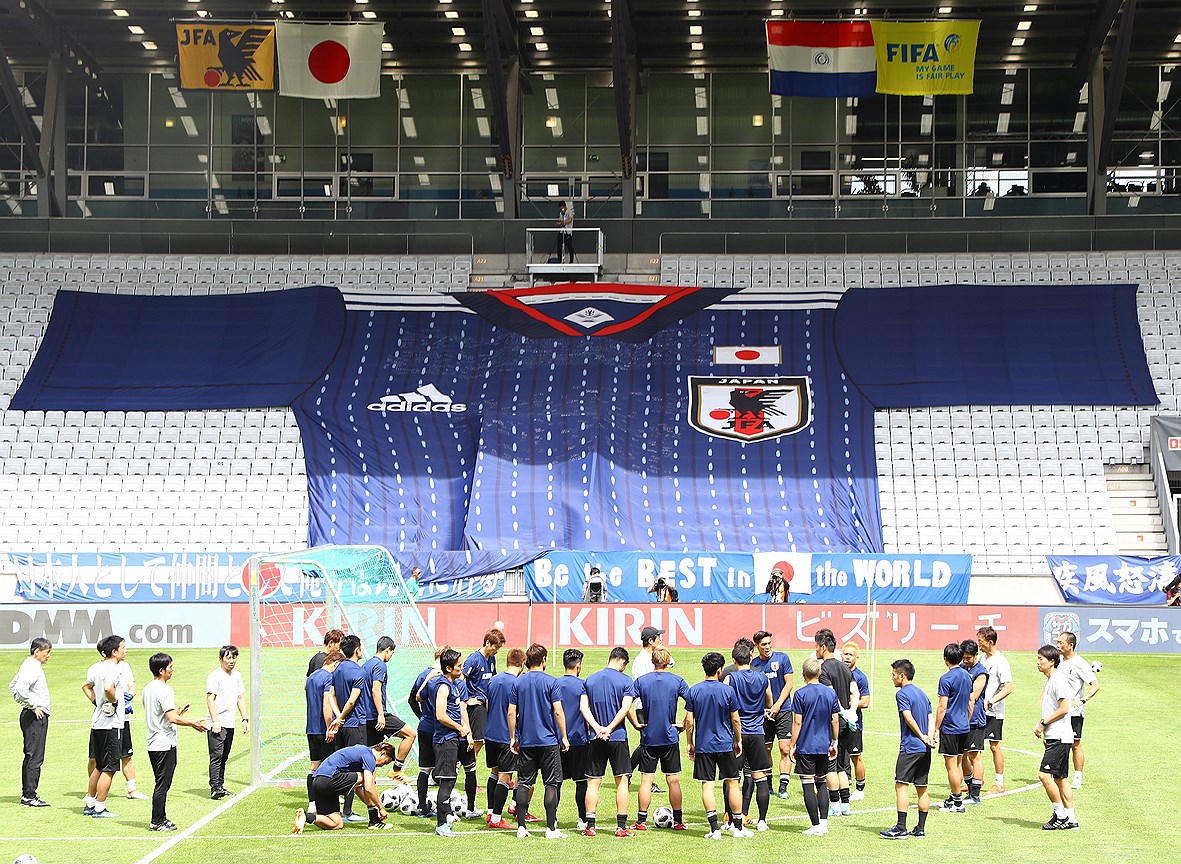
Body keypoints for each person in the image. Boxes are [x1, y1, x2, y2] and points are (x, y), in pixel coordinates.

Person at [508, 643, 569, 839]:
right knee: (551, 783)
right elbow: (558, 711)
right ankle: (551, 828)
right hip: (548, 741)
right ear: (543, 660)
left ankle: (521, 827)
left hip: (526, 741)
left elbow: (511, 712)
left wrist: (512, 737)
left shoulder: (518, 683)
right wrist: (564, 736)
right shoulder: (551, 682)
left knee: (524, 783)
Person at [142, 652, 207, 831]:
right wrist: (192, 723)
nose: (172, 670)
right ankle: (157, 821)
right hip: (164, 743)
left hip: (153, 742)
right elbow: (170, 718)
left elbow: (162, 715)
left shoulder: (148, 689)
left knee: (161, 782)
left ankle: (161, 818)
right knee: (163, 783)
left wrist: (179, 714)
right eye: (170, 667)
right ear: (161, 670)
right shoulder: (165, 690)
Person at [684, 651, 745, 840]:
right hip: (725, 744)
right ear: (719, 670)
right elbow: (735, 719)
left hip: (704, 746)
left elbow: (689, 721)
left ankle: (714, 829)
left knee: (707, 786)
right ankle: (738, 827)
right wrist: (738, 739)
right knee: (733, 784)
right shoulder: (728, 691)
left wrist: (689, 742)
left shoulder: (693, 691)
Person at [630, 647, 689, 833]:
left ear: (652, 661)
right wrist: (685, 724)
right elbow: (693, 702)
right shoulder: (677, 681)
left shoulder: (642, 681)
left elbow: (626, 703)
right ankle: (678, 821)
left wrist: (636, 724)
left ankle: (641, 820)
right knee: (673, 780)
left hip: (649, 738)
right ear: (667, 661)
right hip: (670, 737)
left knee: (646, 780)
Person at [582, 646, 636, 837]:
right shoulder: (626, 681)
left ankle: (590, 826)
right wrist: (610, 728)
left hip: (595, 738)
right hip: (617, 737)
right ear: (622, 661)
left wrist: (597, 728)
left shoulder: (590, 679)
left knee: (593, 782)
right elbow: (625, 708)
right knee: (622, 781)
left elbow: (583, 707)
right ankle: (621, 826)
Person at [879, 659, 935, 840]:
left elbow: (909, 718)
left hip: (911, 747)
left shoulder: (902, 694)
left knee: (901, 785)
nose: (892, 678)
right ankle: (920, 828)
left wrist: (920, 735)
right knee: (922, 787)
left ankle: (901, 828)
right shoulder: (922, 693)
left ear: (902, 676)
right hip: (925, 748)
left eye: (894, 675)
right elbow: (930, 716)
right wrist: (930, 736)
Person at [723, 639, 772, 830]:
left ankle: (729, 818)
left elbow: (725, 703)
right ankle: (762, 821)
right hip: (758, 732)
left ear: (734, 659)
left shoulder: (731, 678)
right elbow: (769, 701)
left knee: (732, 778)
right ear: (750, 657)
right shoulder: (763, 678)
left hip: (737, 734)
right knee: (760, 777)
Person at [789, 658, 839, 837]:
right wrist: (834, 742)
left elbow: (797, 723)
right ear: (819, 673)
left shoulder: (800, 694)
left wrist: (792, 744)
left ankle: (815, 825)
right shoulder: (830, 694)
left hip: (806, 746)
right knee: (822, 782)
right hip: (823, 745)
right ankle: (824, 823)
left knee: (808, 785)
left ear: (804, 674)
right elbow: (835, 720)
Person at [295, 742, 395, 832]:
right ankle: (374, 821)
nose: (382, 765)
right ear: (383, 753)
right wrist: (380, 808)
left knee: (336, 824)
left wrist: (373, 809)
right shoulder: (369, 757)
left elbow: (359, 789)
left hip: (317, 783)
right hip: (328, 779)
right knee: (367, 779)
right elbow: (368, 787)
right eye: (385, 762)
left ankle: (306, 816)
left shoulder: (361, 751)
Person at [82, 634, 127, 818]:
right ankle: (100, 807)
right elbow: (109, 688)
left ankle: (90, 802)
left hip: (98, 723)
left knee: (99, 765)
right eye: (123, 647)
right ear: (114, 651)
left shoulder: (97, 668)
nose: (126, 650)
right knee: (109, 767)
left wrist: (97, 702)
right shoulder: (113, 669)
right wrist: (115, 702)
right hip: (111, 724)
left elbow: (87, 686)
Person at [1034, 644, 1079, 830]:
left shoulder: (1058, 680)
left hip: (1059, 737)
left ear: (1052, 661)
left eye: (1041, 659)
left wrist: (1043, 723)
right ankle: (1072, 819)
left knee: (1044, 776)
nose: (1037, 663)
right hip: (1057, 735)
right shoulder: (1052, 679)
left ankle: (1060, 815)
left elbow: (1064, 708)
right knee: (1060, 779)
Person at [430, 647, 471, 837]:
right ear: (448, 668)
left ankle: (446, 817)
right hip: (445, 740)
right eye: (458, 666)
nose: (461, 668)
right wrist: (459, 727)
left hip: (452, 739)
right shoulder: (444, 687)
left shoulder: (453, 684)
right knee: (447, 782)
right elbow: (440, 715)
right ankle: (441, 825)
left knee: (451, 779)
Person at [483, 647, 525, 829]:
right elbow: (513, 712)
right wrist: (513, 736)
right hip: (504, 736)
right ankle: (496, 819)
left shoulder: (493, 680)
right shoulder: (517, 684)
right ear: (522, 663)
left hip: (490, 734)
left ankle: (491, 812)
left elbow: (486, 704)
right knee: (505, 777)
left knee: (494, 773)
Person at [815, 627, 856, 816]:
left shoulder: (823, 669)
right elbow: (855, 692)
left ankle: (834, 804)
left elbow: (831, 696)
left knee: (830, 764)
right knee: (842, 763)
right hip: (848, 723)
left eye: (816, 646)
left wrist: (842, 712)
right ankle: (846, 804)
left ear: (823, 647)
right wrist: (852, 712)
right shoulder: (844, 667)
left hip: (833, 722)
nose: (815, 650)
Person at [364, 636, 415, 782]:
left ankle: (369, 790)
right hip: (377, 715)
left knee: (371, 755)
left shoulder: (367, 664)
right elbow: (375, 690)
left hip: (366, 716)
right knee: (410, 734)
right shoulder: (380, 665)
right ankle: (396, 770)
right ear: (388, 650)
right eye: (392, 653)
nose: (391, 656)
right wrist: (380, 714)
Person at [750, 630, 794, 800]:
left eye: (769, 643)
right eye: (763, 645)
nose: (767, 647)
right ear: (757, 646)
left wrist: (776, 706)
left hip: (783, 710)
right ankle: (768, 784)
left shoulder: (783, 658)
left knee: (785, 748)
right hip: (764, 714)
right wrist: (764, 709)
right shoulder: (754, 665)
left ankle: (783, 787)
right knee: (766, 748)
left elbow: (789, 683)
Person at [552, 648, 591, 831]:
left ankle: (553, 819)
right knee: (581, 782)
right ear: (578, 665)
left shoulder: (554, 684)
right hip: (579, 740)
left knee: (556, 782)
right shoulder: (584, 686)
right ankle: (582, 819)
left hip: (557, 740)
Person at [331, 634, 369, 821]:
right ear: (357, 650)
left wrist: (338, 717)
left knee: (341, 766)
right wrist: (343, 716)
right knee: (355, 768)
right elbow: (352, 700)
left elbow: (331, 694)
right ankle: (347, 811)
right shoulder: (358, 672)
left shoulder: (338, 669)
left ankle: (336, 808)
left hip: (342, 725)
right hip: (355, 725)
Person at [10, 637, 52, 807]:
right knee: (35, 756)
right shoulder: (32, 667)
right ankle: (29, 796)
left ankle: (28, 793)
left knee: (30, 755)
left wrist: (25, 704)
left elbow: (13, 686)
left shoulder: (27, 664)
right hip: (36, 717)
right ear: (37, 651)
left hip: (29, 714)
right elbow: (19, 688)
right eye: (47, 652)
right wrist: (33, 705)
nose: (48, 656)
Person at [1055, 631, 1099, 789]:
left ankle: (1078, 777)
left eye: (1061, 643)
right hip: (1059, 709)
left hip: (1074, 712)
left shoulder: (1079, 663)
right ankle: (1059, 772)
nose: (1058, 645)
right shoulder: (1058, 661)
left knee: (1075, 744)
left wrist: (1082, 700)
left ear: (1070, 645)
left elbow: (1095, 685)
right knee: (1057, 741)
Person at [304, 649, 344, 818]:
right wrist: (330, 727)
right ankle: (328, 806)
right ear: (335, 663)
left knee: (314, 766)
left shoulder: (312, 677)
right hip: (322, 729)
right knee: (329, 768)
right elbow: (326, 704)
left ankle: (312, 803)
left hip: (311, 729)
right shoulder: (328, 678)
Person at [205, 644, 248, 801]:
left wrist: (244, 718)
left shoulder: (237, 676)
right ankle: (215, 787)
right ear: (221, 659)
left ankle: (220, 785)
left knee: (224, 755)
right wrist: (215, 721)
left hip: (230, 723)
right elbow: (210, 698)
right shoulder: (214, 676)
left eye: (234, 657)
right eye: (228, 657)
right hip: (217, 723)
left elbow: (240, 698)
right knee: (216, 755)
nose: (231, 661)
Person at [934, 642, 971, 813]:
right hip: (964, 726)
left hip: (950, 727)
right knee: (957, 763)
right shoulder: (967, 676)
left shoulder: (946, 679)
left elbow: (942, 706)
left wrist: (935, 728)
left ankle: (957, 802)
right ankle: (953, 797)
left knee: (951, 766)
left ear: (945, 659)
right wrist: (966, 720)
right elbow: (971, 702)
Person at [464, 628, 505, 781]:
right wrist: (467, 699)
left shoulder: (491, 660)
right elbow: (460, 680)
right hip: (476, 706)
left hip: (488, 704)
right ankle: (469, 774)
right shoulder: (473, 660)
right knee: (478, 741)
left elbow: (492, 681)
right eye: (496, 647)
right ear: (488, 643)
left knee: (486, 740)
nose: (497, 650)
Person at [977, 626, 1013, 794]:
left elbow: (1008, 688)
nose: (979, 644)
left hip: (994, 712)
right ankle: (977, 779)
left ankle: (999, 782)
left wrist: (991, 702)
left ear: (990, 642)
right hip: (979, 710)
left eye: (981, 641)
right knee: (974, 747)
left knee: (994, 746)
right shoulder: (983, 659)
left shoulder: (1001, 661)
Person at [959, 639, 989, 805]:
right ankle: (969, 787)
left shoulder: (981, 672)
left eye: (969, 657)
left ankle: (975, 794)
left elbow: (974, 696)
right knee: (961, 755)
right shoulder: (962, 668)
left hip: (975, 719)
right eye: (964, 657)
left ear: (976, 655)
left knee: (974, 755)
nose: (966, 661)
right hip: (961, 718)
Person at [114, 651, 148, 799]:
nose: (125, 650)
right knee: (96, 758)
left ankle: (132, 790)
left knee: (126, 754)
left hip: (124, 719)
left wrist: (130, 696)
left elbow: (132, 686)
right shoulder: (100, 668)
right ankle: (93, 792)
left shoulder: (125, 666)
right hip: (106, 720)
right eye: (122, 647)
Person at [842, 641, 871, 801]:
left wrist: (845, 704)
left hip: (853, 724)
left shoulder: (860, 677)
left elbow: (865, 702)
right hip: (836, 722)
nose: (847, 657)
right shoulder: (836, 672)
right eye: (845, 654)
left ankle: (860, 789)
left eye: (851, 655)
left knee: (855, 756)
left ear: (856, 658)